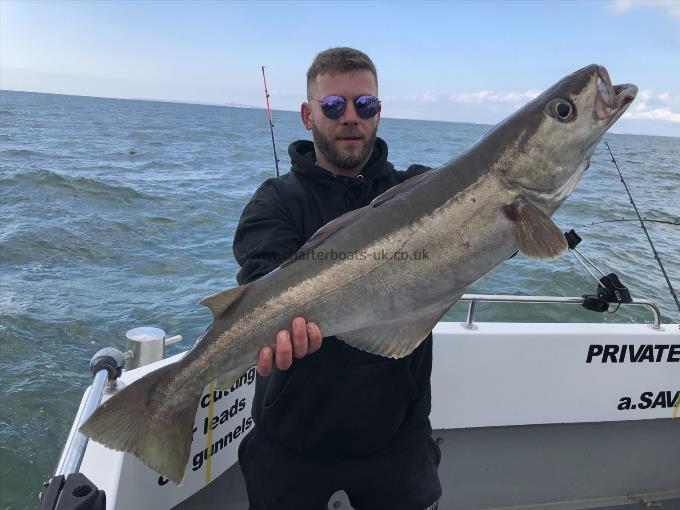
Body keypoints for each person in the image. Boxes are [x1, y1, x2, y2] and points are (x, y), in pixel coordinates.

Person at [233, 47, 441, 510]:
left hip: (398, 441)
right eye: (334, 106)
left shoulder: (422, 192)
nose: (351, 117)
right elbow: (262, 274)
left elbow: (498, 229)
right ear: (308, 115)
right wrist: (282, 319)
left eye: (364, 105)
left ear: (378, 114)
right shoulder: (274, 203)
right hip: (291, 445)